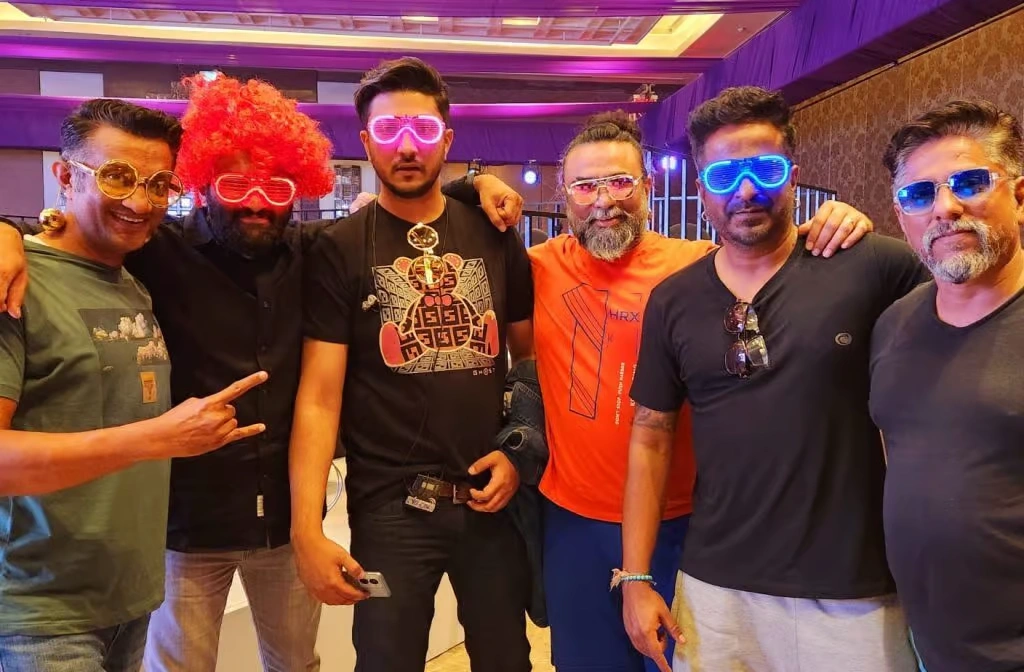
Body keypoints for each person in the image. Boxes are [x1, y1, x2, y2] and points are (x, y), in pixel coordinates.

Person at [0, 76, 523, 672]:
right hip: (184, 528)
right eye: (234, 182)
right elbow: (75, 237)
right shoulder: (157, 247)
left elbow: (402, 204)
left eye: (274, 185)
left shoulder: (318, 251)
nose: (254, 200)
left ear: (296, 187)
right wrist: (9, 234)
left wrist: (474, 182)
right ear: (201, 184)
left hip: (283, 522)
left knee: (298, 665)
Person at [352, 109, 876, 672]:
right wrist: (464, 187)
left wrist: (838, 221)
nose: (604, 200)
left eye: (621, 181)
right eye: (585, 185)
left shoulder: (701, 266)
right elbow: (439, 239)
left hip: (687, 521)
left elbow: (775, 251)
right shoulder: (533, 268)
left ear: (647, 187)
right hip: (572, 522)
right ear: (565, 194)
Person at [623, 85, 929, 672]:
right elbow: (651, 434)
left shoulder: (871, 266)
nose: (744, 190)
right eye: (722, 176)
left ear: (792, 171)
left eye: (764, 168)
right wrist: (636, 576)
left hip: (855, 589)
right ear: (699, 186)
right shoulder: (674, 300)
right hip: (717, 587)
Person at [0, 98, 267, 672]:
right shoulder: (14, 285)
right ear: (66, 176)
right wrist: (158, 438)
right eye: (118, 178)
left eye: (158, 183)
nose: (140, 202)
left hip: (131, 600)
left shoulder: (132, 284)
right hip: (37, 613)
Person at [290, 57, 534, 672]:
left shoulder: (493, 230)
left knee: (507, 659)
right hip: (391, 512)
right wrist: (306, 528)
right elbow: (320, 398)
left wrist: (519, 450)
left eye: (423, 131)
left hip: (491, 499)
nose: (406, 147)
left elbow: (529, 360)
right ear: (365, 141)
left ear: (447, 140)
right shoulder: (337, 248)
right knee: (385, 659)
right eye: (389, 131)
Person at [871, 100, 1024, 672]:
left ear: (1019, 195)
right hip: (932, 647)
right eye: (920, 194)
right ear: (900, 215)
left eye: (970, 183)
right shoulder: (895, 323)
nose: (947, 208)